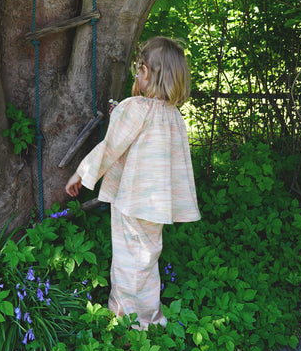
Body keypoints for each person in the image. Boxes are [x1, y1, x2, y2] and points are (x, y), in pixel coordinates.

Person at [65, 36, 200, 329]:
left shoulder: (136, 107)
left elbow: (112, 146)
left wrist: (81, 172)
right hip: (157, 204)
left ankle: (126, 320)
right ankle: (150, 317)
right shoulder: (173, 115)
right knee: (147, 259)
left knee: (128, 261)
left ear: (147, 73)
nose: (136, 77)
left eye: (138, 71)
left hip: (132, 201)